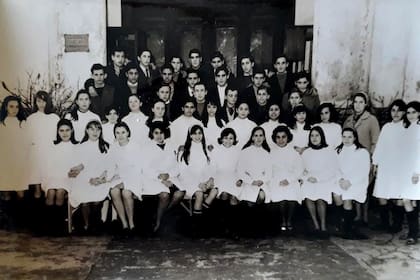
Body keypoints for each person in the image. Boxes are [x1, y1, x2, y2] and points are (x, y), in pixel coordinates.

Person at [68, 120, 116, 233]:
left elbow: (110, 165)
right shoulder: (81, 147)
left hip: (101, 179)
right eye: (92, 129)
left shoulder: (106, 146)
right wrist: (89, 179)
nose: (95, 132)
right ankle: (87, 225)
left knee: (97, 199)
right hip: (85, 179)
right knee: (84, 197)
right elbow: (80, 167)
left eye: (98, 129)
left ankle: (95, 223)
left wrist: (102, 178)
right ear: (87, 130)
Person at [343, 92, 380, 225]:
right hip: (350, 161)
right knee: (352, 187)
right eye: (355, 102)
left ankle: (363, 217)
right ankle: (356, 216)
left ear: (365, 104)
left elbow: (376, 141)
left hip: (365, 159)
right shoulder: (349, 119)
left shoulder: (371, 120)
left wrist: (372, 159)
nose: (357, 105)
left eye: (361, 102)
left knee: (364, 187)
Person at [372, 99, 407, 232]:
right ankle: (384, 223)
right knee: (382, 195)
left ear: (404, 112)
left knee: (398, 195)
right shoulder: (387, 127)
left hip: (400, 166)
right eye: (393, 110)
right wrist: (375, 163)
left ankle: (397, 225)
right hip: (386, 165)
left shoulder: (406, 127)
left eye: (399, 110)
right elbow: (380, 146)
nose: (396, 113)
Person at [301, 126, 341, 238]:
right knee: (308, 194)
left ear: (322, 136)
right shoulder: (306, 152)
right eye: (312, 136)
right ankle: (316, 225)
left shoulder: (329, 151)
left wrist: (318, 179)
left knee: (320, 197)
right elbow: (302, 169)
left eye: (317, 135)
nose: (314, 138)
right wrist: (308, 177)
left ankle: (323, 227)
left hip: (325, 179)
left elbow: (333, 169)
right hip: (310, 179)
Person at [141, 122, 181, 232]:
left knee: (179, 194)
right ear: (152, 134)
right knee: (164, 195)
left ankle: (162, 214)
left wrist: (169, 175)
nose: (159, 136)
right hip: (154, 178)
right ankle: (158, 221)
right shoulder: (147, 147)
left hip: (170, 176)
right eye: (156, 133)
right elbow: (145, 167)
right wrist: (160, 177)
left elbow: (177, 165)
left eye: (161, 133)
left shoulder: (171, 145)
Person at [42, 119, 79, 234]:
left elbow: (80, 165)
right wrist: (47, 180)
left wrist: (74, 173)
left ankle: (59, 224)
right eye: (61, 130)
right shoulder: (53, 147)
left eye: (67, 130)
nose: (65, 133)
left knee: (60, 192)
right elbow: (48, 166)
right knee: (51, 192)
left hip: (69, 179)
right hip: (54, 177)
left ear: (72, 131)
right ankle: (50, 223)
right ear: (57, 132)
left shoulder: (77, 146)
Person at [334, 128, 370, 239]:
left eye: (349, 137)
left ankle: (347, 229)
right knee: (336, 195)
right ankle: (344, 222)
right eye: (344, 136)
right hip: (341, 181)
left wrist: (350, 181)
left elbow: (364, 170)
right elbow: (334, 168)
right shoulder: (337, 151)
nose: (346, 139)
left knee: (347, 198)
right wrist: (340, 180)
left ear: (355, 137)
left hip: (356, 182)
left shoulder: (362, 152)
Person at [108, 122, 142, 234]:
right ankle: (124, 224)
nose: (120, 135)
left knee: (126, 193)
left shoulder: (135, 146)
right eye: (117, 133)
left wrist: (125, 182)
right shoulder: (113, 147)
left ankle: (132, 224)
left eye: (123, 132)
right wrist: (107, 177)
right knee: (114, 191)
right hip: (120, 176)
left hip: (134, 177)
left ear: (128, 133)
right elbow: (111, 165)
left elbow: (138, 167)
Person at [176, 125, 216, 216]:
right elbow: (184, 172)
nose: (197, 136)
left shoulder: (206, 150)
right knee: (199, 194)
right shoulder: (184, 151)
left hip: (204, 179)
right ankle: (196, 223)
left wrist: (210, 179)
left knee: (215, 190)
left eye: (199, 133)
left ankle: (201, 209)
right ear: (190, 135)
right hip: (189, 181)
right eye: (194, 134)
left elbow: (211, 167)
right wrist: (199, 183)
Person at [269, 126, 303, 232]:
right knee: (281, 195)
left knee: (292, 193)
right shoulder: (271, 152)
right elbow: (269, 169)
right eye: (278, 137)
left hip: (291, 178)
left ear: (288, 138)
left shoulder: (294, 152)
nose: (281, 140)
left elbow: (299, 169)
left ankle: (289, 220)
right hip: (276, 178)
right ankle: (283, 220)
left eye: (283, 137)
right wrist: (275, 180)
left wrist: (289, 180)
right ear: (275, 139)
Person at [26, 91, 60, 198]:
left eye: (44, 101)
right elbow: (28, 135)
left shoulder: (54, 117)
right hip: (36, 148)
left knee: (48, 170)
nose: (41, 104)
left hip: (50, 147)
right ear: (35, 102)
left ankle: (47, 191)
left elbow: (57, 135)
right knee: (36, 170)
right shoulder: (31, 118)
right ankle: (37, 191)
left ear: (48, 102)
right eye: (39, 101)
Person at [399, 101, 420, 245]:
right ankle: (414, 232)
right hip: (406, 170)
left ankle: (414, 233)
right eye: (408, 112)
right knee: (408, 200)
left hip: (416, 170)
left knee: (411, 200)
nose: (411, 115)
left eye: (414, 112)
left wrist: (416, 172)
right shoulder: (409, 128)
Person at [0, 95, 29, 200]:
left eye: (17, 107)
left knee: (20, 193)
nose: (14, 109)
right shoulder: (1, 123)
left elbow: (27, 142)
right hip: (5, 161)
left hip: (19, 161)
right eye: (11, 106)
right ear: (5, 107)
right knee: (6, 192)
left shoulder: (23, 123)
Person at [236, 127, 271, 204]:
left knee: (261, 196)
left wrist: (262, 180)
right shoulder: (245, 152)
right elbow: (240, 171)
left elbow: (269, 172)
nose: (258, 138)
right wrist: (252, 181)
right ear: (252, 138)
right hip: (248, 182)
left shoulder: (266, 153)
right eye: (256, 135)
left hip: (262, 183)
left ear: (264, 138)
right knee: (250, 199)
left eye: (261, 135)